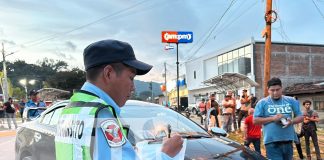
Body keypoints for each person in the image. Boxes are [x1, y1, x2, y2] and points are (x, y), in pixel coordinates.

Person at [55, 39, 183, 160]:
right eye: (131, 78)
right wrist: (166, 155)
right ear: (109, 73)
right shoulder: (101, 116)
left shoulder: (70, 109)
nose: (133, 87)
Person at [253, 77, 303, 160]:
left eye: (277, 89)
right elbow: (255, 121)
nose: (275, 93)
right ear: (268, 89)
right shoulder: (262, 102)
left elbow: (300, 117)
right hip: (271, 141)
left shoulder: (291, 100)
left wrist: (291, 121)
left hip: (288, 140)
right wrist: (272, 119)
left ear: (281, 88)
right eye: (272, 90)